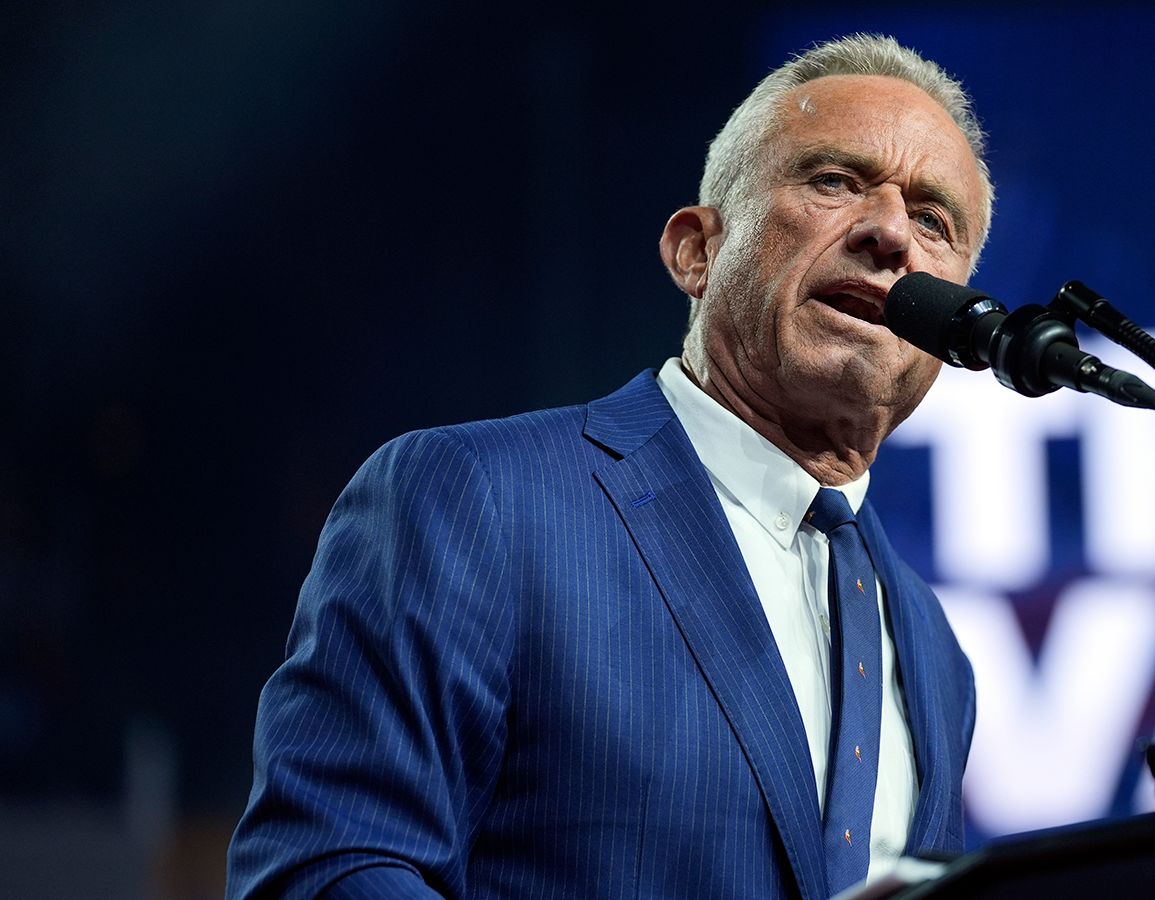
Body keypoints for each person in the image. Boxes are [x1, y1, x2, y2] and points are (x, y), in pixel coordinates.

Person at [227, 33, 991, 899]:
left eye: (934, 220)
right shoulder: (475, 499)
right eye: (834, 182)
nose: (891, 232)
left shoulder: (931, 646)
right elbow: (329, 869)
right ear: (696, 252)